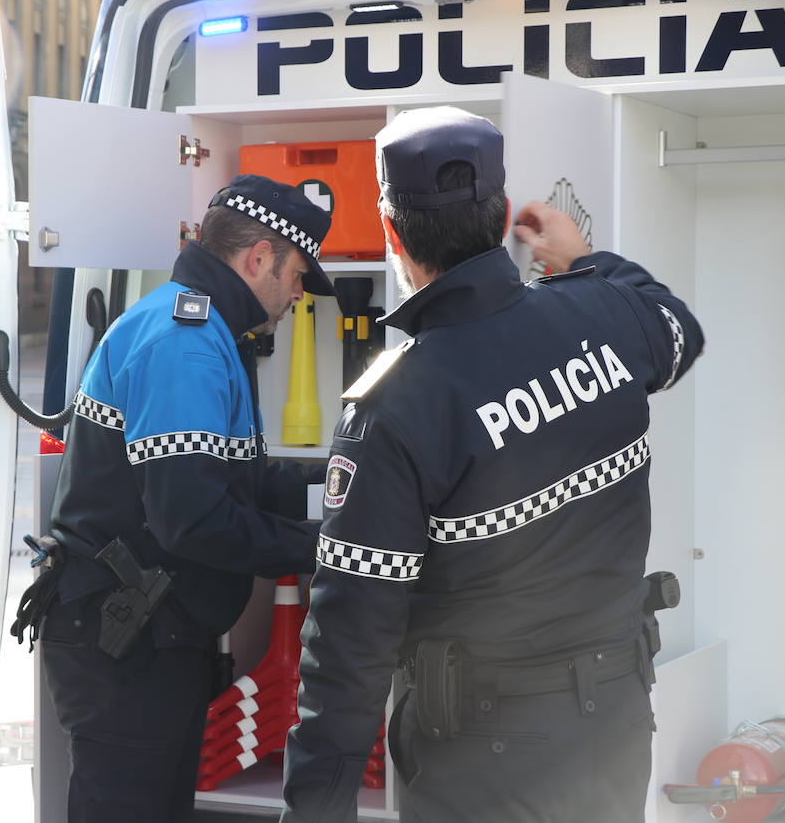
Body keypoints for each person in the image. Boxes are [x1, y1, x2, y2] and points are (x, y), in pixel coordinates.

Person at [281, 106, 705, 823]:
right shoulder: (604, 313)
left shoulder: (396, 403)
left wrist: (314, 810)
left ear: (392, 233)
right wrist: (583, 261)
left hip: (477, 759)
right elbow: (678, 330)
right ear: (503, 211)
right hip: (613, 727)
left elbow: (349, 646)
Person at [15, 173, 332, 822]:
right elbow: (197, 521)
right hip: (126, 651)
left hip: (149, 641)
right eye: (297, 274)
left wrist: (346, 486)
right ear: (258, 258)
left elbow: (239, 479)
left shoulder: (207, 330)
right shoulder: (184, 342)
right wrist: (331, 548)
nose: (298, 294)